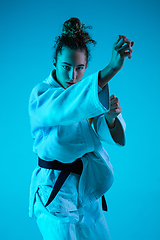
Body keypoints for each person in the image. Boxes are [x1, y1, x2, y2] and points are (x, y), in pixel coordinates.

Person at [28, 17, 134, 240]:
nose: (72, 76)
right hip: (54, 188)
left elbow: (103, 131)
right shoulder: (42, 95)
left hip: (85, 186)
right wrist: (112, 68)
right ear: (55, 61)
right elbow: (65, 107)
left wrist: (111, 118)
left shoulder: (86, 96)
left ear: (86, 67)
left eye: (80, 68)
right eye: (66, 67)